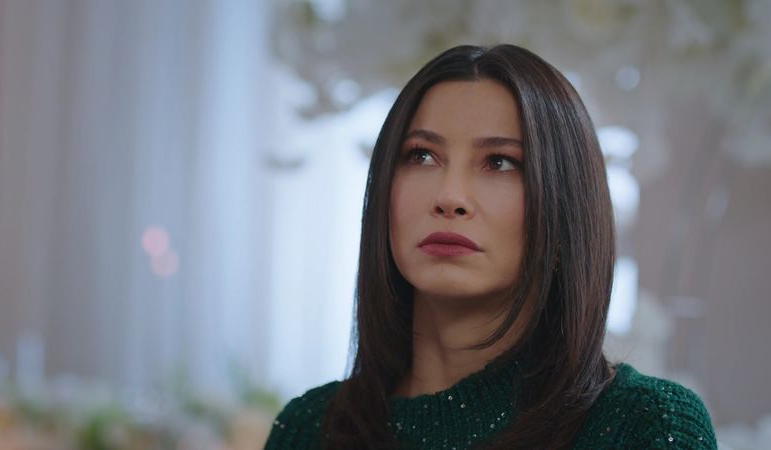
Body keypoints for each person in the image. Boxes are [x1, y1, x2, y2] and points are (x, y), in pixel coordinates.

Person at [264, 44, 716, 449]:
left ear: (566, 210)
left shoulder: (646, 426)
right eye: (422, 155)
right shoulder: (311, 429)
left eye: (500, 162)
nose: (450, 197)